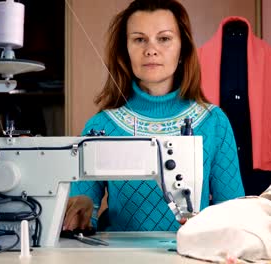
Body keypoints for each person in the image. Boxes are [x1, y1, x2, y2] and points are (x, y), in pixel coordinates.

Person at [63, 0, 245, 232]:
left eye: (164, 38)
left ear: (183, 49)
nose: (151, 49)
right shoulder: (101, 126)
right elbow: (81, 219)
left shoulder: (214, 122)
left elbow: (233, 215)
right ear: (125, 50)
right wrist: (80, 215)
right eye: (139, 39)